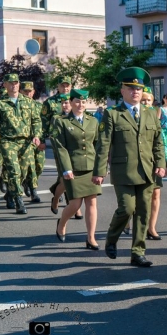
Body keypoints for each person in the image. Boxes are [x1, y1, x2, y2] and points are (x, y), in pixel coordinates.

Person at [93, 67, 166, 267]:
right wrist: (99, 171)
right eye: (131, 88)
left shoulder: (151, 114)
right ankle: (112, 237)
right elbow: (104, 144)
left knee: (143, 211)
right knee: (127, 208)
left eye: (139, 88)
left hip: (147, 170)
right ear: (122, 90)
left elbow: (158, 141)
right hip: (123, 171)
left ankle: (138, 252)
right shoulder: (113, 114)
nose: (135, 92)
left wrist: (161, 162)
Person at [0, 74, 42, 214]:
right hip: (8, 142)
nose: (14, 85)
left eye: (16, 82)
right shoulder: (0, 104)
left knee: (23, 172)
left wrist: (37, 135)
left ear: (18, 84)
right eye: (10, 83)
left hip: (26, 142)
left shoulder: (28, 102)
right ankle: (19, 201)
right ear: (5, 85)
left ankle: (10, 194)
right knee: (14, 171)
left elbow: (36, 121)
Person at [52, 89, 101, 249]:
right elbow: (61, 148)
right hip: (73, 168)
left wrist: (100, 167)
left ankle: (91, 238)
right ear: (71, 103)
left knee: (92, 203)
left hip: (91, 167)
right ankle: (62, 224)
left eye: (84, 101)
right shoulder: (62, 122)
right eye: (78, 101)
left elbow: (98, 145)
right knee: (75, 205)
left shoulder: (92, 121)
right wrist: (66, 168)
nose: (81, 105)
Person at [141, 87, 164, 240]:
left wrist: (162, 163)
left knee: (156, 194)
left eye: (148, 100)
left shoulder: (154, 116)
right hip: (138, 163)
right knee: (138, 197)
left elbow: (160, 142)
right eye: (143, 100)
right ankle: (132, 222)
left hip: (153, 162)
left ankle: (152, 227)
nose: (146, 102)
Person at [20, 81, 43, 203]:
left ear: (33, 92)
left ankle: (27, 182)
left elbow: (43, 123)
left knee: (39, 165)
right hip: (24, 143)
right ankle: (34, 191)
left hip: (37, 141)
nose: (28, 94)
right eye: (25, 91)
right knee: (30, 167)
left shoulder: (39, 106)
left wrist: (41, 138)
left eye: (30, 91)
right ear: (21, 91)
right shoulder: (18, 106)